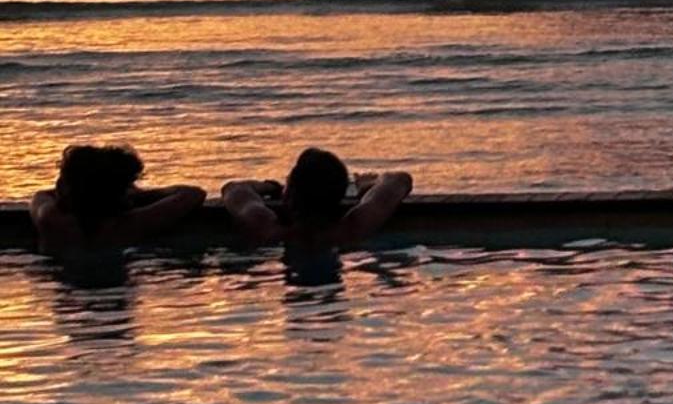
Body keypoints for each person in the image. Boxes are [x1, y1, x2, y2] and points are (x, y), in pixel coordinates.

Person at [221, 147, 413, 250]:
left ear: (289, 195)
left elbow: (233, 189)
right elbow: (399, 180)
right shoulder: (353, 229)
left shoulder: (267, 228)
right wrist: (366, 186)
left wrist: (270, 186)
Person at [30, 144, 206, 255]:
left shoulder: (51, 219)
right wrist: (140, 195)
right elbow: (193, 194)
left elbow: (42, 195)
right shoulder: (129, 225)